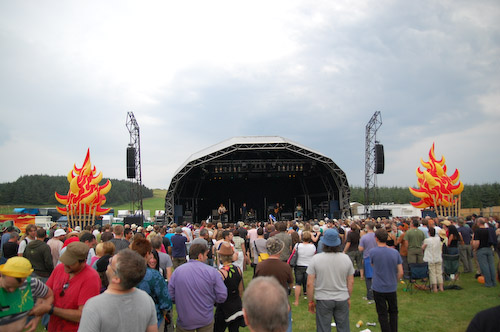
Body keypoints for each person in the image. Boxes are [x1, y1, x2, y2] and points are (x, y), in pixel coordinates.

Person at [78, 249, 158, 332]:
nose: (108, 265)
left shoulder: (94, 306)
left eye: (110, 263)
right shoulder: (146, 299)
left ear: (116, 279)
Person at [169, 243, 227, 331]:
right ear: (200, 256)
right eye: (206, 255)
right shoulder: (212, 272)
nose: (207, 257)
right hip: (205, 317)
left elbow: (171, 295)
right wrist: (211, 301)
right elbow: (222, 295)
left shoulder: (177, 271)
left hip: (185, 318)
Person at [46, 241, 101, 332]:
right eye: (65, 261)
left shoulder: (91, 278)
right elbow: (47, 291)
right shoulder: (60, 268)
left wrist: (52, 310)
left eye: (70, 263)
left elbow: (82, 315)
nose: (66, 265)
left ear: (83, 261)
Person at [306, 228, 354, 332]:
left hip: (323, 299)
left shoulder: (316, 259)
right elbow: (351, 281)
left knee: (323, 328)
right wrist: (348, 297)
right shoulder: (346, 258)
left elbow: (310, 283)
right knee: (344, 328)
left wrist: (310, 301)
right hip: (341, 298)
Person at [0, 257, 54, 332]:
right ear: (2, 275)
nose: (12, 290)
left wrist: (37, 317)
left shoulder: (32, 284)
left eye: (16, 287)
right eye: (8, 287)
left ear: (24, 278)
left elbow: (49, 295)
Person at [130, 239, 172, 329]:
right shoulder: (154, 275)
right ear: (147, 254)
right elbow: (165, 301)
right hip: (153, 319)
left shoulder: (125, 273)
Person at [254, 237, 293, 332]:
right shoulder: (285, 266)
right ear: (281, 250)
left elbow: (256, 282)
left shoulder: (260, 266)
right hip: (281, 300)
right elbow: (291, 283)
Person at [370, 228, 403, 332]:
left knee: (382, 313)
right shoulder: (394, 252)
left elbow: (372, 265)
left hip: (378, 287)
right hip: (391, 286)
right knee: (393, 311)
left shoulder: (373, 252)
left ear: (376, 238)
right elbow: (401, 272)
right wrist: (395, 280)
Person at [214, 242, 245, 332]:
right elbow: (241, 289)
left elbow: (217, 291)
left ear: (221, 257)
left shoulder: (220, 273)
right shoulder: (238, 269)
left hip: (224, 306)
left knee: (218, 329)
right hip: (236, 303)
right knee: (234, 329)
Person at [293, 231, 316, 306]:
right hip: (309, 266)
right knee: (309, 284)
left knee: (298, 283)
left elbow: (293, 253)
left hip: (299, 265)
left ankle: (296, 301)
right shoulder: (312, 247)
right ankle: (310, 300)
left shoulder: (297, 245)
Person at [472, 218, 497, 287]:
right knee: (491, 266)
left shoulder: (477, 231)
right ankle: (494, 281)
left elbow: (477, 242)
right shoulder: (489, 230)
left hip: (481, 249)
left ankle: (488, 282)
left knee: (484, 266)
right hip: (489, 248)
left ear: (478, 223)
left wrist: (474, 248)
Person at [359, 221, 377, 303]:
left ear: (367, 227)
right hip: (377, 257)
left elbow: (361, 249)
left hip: (368, 257)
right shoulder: (377, 236)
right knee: (376, 276)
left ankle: (370, 296)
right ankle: (375, 294)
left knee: (369, 278)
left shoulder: (364, 237)